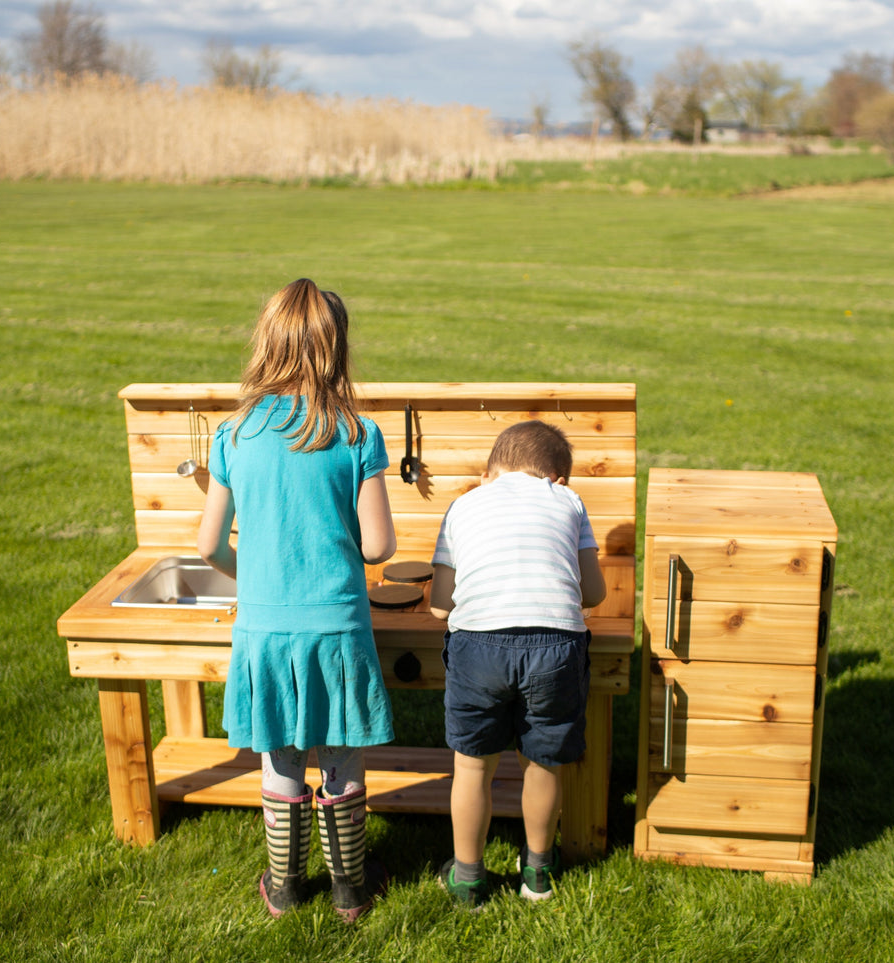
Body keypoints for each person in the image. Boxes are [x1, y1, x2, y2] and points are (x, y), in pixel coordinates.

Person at [196, 278, 397, 922]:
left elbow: (207, 547)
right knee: (340, 755)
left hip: (265, 628)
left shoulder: (232, 436)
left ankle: (284, 890)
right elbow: (378, 547)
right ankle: (350, 892)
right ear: (335, 348)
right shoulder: (357, 432)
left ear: (267, 341)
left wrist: (247, 571)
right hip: (338, 627)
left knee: (280, 757)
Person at [428, 419, 607, 906]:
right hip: (555, 644)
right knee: (545, 763)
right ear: (558, 478)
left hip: (478, 645)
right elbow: (594, 592)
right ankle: (538, 876)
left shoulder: (463, 503)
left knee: (472, 767)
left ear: (490, 472)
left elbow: (441, 605)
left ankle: (467, 878)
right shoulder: (568, 501)